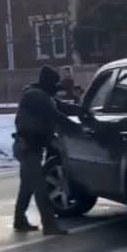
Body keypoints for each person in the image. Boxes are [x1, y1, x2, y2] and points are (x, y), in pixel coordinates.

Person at [13, 66, 89, 234]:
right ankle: (49, 225)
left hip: (31, 147)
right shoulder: (34, 96)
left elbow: (62, 107)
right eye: (54, 84)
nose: (56, 87)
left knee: (27, 186)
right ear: (47, 83)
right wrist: (79, 129)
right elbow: (55, 115)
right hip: (28, 147)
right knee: (40, 187)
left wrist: (84, 110)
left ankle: (19, 220)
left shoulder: (42, 95)